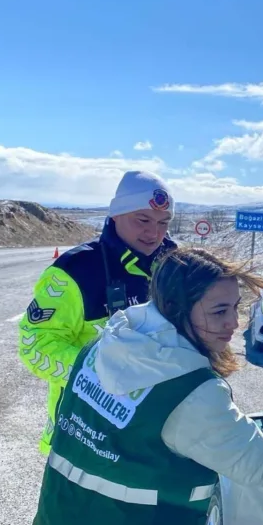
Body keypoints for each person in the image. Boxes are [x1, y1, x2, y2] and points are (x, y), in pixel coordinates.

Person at [25, 247, 263, 525]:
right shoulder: (187, 392)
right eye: (219, 311)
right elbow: (259, 461)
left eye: (236, 308)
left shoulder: (100, 348)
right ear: (175, 309)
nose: (233, 324)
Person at [17, 170, 179, 455]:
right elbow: (35, 347)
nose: (153, 233)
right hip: (82, 436)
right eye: (142, 220)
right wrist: (107, 374)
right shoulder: (74, 271)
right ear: (116, 214)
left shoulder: (176, 268)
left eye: (163, 223)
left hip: (154, 438)